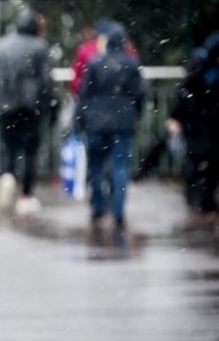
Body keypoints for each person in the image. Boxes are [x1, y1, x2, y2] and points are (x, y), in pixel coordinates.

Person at [0, 9, 58, 216]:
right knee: (30, 151)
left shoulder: (1, 45)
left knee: (9, 148)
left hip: (6, 105)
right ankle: (26, 196)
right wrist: (50, 105)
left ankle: (7, 178)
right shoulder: (40, 46)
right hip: (31, 107)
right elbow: (46, 81)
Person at [77, 24, 144, 229]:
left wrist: (80, 119)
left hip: (97, 121)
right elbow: (141, 94)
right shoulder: (132, 65)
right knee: (120, 166)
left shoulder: (95, 63)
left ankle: (98, 207)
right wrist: (135, 113)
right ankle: (118, 211)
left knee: (96, 166)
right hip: (123, 122)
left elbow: (84, 95)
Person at [167, 32, 219, 214]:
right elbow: (185, 92)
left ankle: (201, 199)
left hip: (202, 123)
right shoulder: (203, 68)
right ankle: (200, 199)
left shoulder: (203, 66)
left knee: (202, 162)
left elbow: (183, 92)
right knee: (200, 162)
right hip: (200, 123)